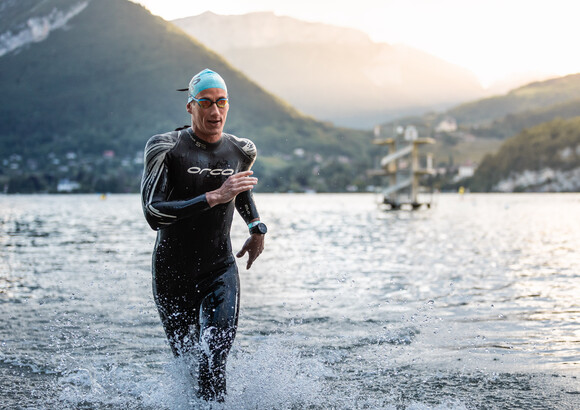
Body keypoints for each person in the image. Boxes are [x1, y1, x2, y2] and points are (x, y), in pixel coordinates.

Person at [140, 68, 267, 402]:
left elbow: (239, 191)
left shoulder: (242, 150)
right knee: (189, 362)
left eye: (221, 102)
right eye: (206, 103)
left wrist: (256, 228)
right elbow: (153, 213)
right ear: (190, 107)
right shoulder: (165, 147)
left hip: (218, 268)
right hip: (172, 272)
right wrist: (213, 196)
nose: (215, 112)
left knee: (216, 355)